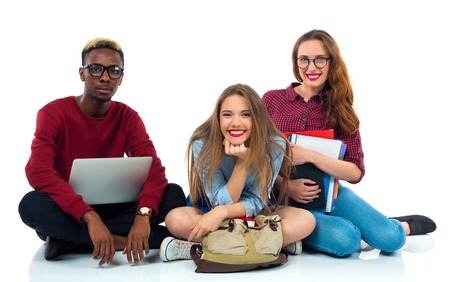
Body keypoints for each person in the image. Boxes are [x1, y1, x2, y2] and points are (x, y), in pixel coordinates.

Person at [261, 29, 436, 257]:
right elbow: (256, 158)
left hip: (331, 194)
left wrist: (310, 155)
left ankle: (398, 224)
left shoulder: (340, 107)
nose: (311, 67)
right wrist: (286, 185)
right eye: (304, 59)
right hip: (284, 200)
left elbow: (355, 171)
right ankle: (335, 229)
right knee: (347, 241)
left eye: (320, 59)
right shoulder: (272, 100)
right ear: (296, 62)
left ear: (331, 61)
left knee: (391, 240)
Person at [18, 38, 186, 266]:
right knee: (31, 206)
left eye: (114, 71)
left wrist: (143, 215)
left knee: (173, 194)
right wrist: (89, 216)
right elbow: (38, 172)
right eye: (96, 69)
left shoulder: (128, 117)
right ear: (82, 73)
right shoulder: (53, 113)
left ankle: (71, 242)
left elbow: (153, 169)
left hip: (114, 208)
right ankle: (121, 241)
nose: (105, 77)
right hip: (69, 211)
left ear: (121, 78)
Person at [157, 83, 316, 262]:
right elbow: (219, 201)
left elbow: (257, 200)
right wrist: (242, 164)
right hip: (209, 210)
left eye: (246, 115)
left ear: (257, 118)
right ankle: (269, 243)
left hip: (254, 215)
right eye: (227, 115)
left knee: (305, 220)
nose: (236, 123)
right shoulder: (202, 142)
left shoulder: (274, 144)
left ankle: (203, 248)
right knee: (175, 219)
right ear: (218, 118)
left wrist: (222, 213)